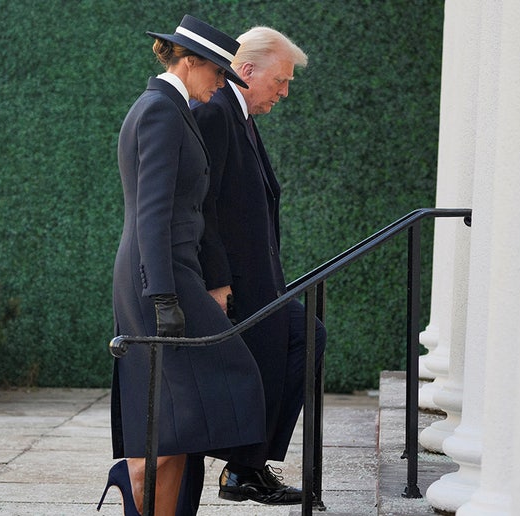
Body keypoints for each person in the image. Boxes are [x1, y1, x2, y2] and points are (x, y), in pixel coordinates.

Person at [99, 15, 266, 516]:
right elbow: (151, 212)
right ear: (190, 62)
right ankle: (134, 474)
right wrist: (164, 296)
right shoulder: (159, 111)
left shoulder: (173, 108)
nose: (221, 84)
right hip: (159, 278)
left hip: (170, 272)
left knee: (173, 411)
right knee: (217, 384)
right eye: (217, 73)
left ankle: (144, 491)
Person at [192, 27, 327, 506]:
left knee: (305, 336)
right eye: (281, 80)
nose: (285, 92)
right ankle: (243, 469)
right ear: (247, 70)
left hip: (261, 279)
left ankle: (247, 467)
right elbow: (201, 205)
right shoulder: (214, 111)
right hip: (234, 284)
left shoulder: (239, 113)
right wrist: (217, 282)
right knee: (299, 337)